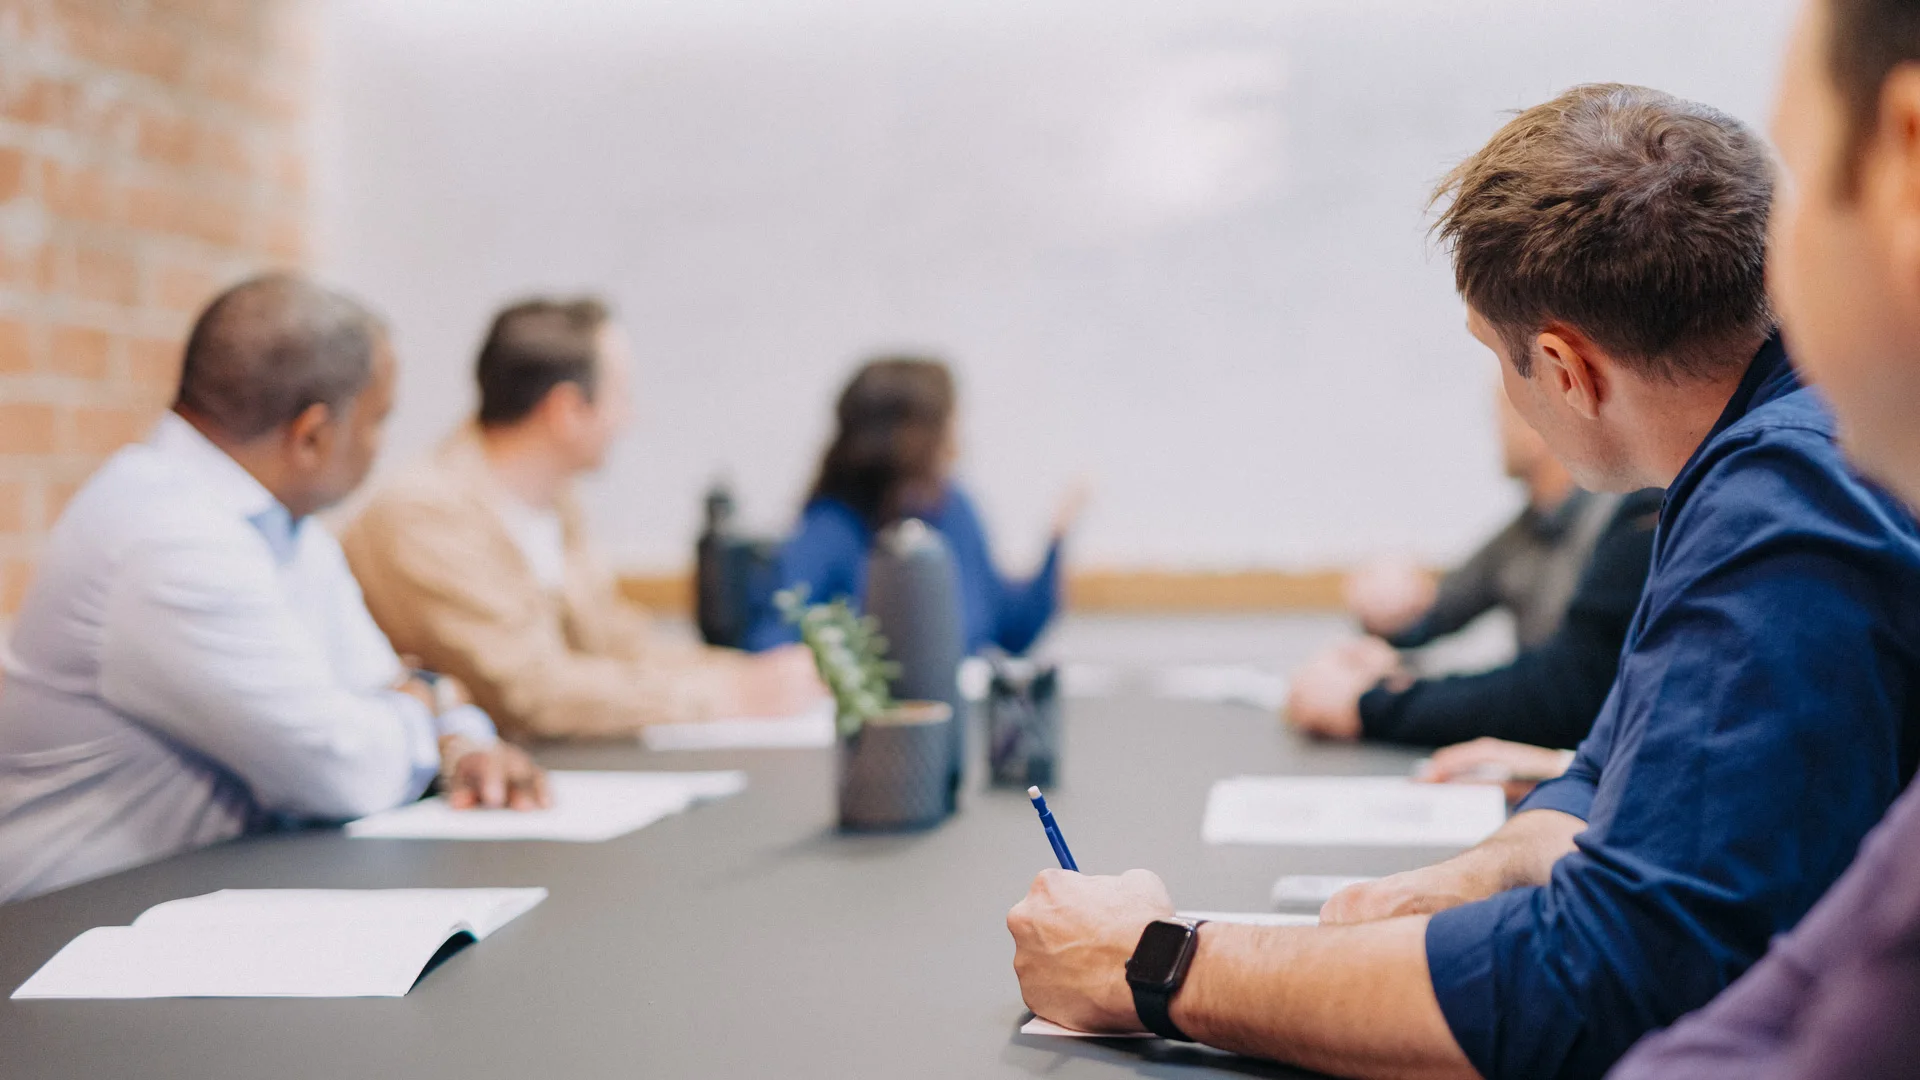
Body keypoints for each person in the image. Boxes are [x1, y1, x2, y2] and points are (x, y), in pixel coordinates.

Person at [1006, 84, 1920, 1080]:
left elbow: (1602, 982)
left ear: (1565, 368)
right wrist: (1482, 868)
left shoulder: (1785, 497)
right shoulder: (1758, 450)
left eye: (1500, 361)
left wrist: (1153, 963)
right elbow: (1607, 762)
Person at [0, 275, 547, 905]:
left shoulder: (282, 525)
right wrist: (426, 708)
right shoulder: (165, 538)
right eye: (378, 421)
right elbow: (339, 770)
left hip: (203, 894)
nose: (380, 446)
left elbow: (383, 686)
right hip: (67, 935)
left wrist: (461, 733)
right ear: (312, 436)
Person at [1608, 1, 1920, 1075]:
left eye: (1791, 173)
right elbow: (1787, 1007)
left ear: (1906, 172)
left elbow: (1639, 973)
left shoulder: (1782, 479)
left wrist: (1173, 967)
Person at [343, 298, 825, 741]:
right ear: (568, 409)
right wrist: (722, 697)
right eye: (621, 397)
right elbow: (530, 694)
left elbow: (619, 645)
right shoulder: (420, 515)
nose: (628, 419)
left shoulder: (555, 505)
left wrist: (746, 676)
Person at [1287, 389, 1660, 749]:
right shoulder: (1523, 533)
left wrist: (1372, 705)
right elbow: (1438, 613)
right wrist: (1389, 617)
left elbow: (1563, 693)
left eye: (1503, 409)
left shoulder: (1634, 520)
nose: (1494, 430)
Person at [743, 356, 1081, 657]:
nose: (957, 441)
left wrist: (1056, 540)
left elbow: (1009, 628)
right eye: (947, 424)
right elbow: (773, 643)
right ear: (910, 439)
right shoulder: (831, 530)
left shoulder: (954, 510)